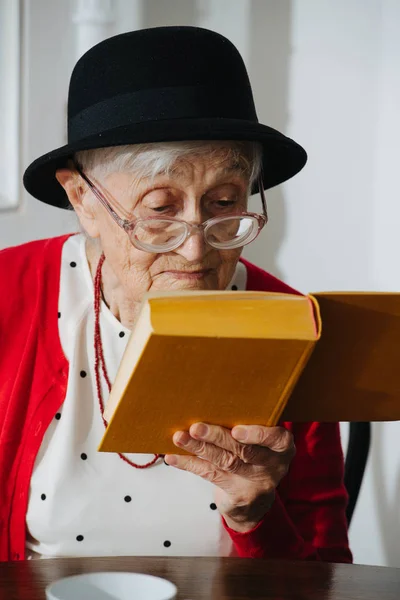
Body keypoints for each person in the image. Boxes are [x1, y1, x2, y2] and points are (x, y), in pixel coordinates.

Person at [0, 26, 352, 562]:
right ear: (82, 200)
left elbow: (326, 577)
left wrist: (255, 517)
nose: (195, 253)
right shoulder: (9, 292)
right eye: (161, 209)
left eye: (224, 202)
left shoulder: (290, 328)